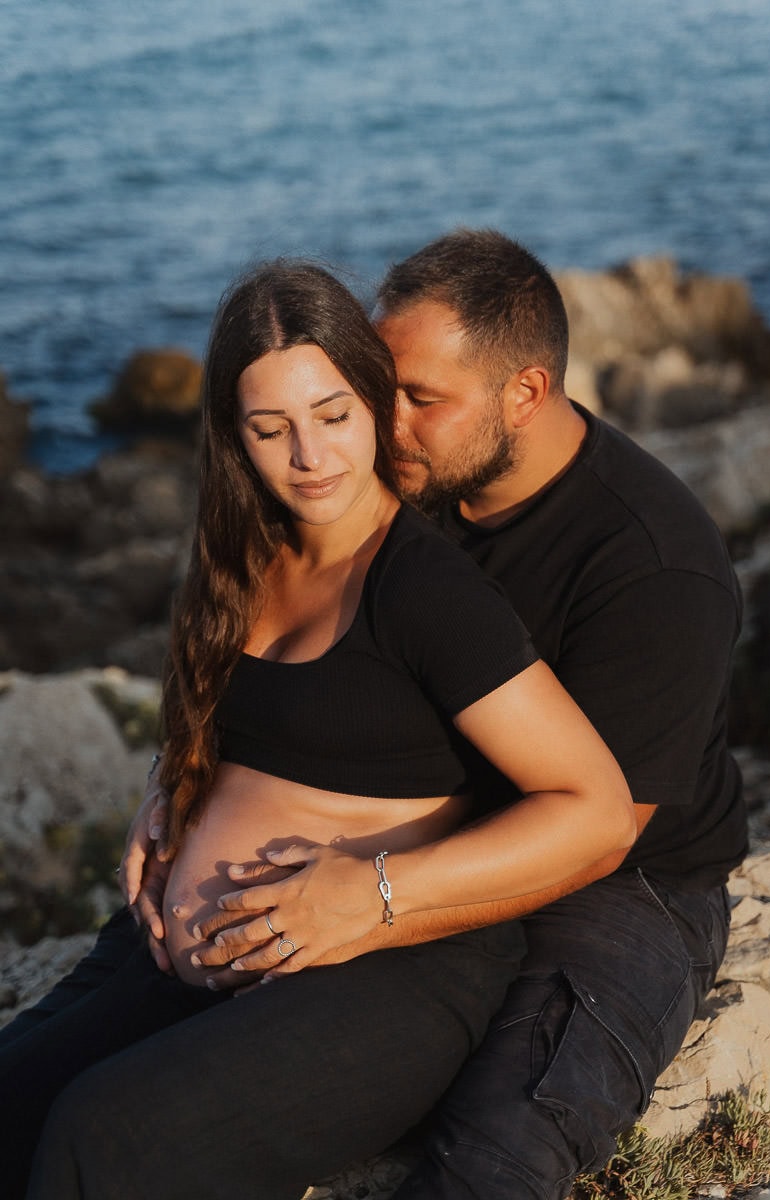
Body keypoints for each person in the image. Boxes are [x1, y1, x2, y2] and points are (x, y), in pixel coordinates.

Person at [0, 258, 635, 1199]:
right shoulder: (236, 557)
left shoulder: (426, 593)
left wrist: (372, 892)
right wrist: (170, 790)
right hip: (176, 961)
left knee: (103, 1137)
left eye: (333, 415)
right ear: (234, 435)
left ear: (373, 403)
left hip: (387, 977)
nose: (311, 456)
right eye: (271, 429)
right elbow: (241, 723)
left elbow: (597, 812)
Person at [160, 231, 748, 1200]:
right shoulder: (411, 484)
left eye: (422, 400)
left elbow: (599, 835)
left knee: (493, 1149)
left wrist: (374, 894)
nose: (385, 426)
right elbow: (267, 647)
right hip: (424, 832)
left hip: (622, 885)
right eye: (379, 388)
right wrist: (180, 787)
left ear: (525, 392)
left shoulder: (652, 566)